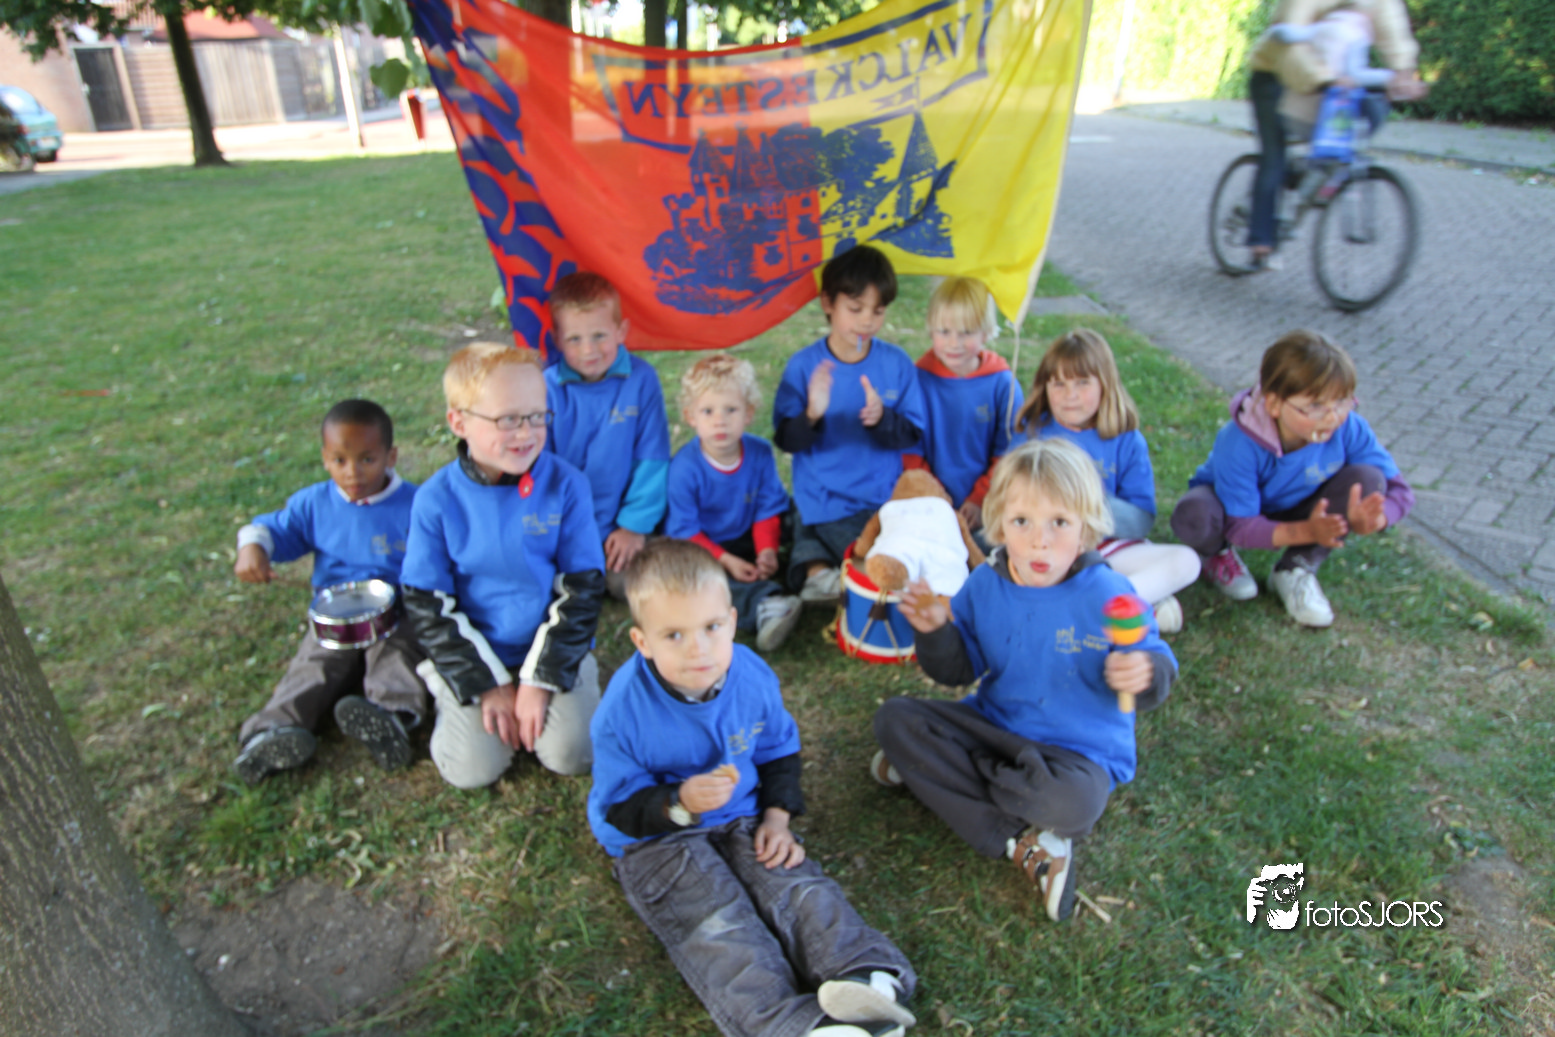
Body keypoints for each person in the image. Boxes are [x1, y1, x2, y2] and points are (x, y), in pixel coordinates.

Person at [588, 539, 919, 1037]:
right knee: (717, 922)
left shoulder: (750, 676)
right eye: (674, 634)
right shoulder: (621, 712)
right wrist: (679, 803)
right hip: (656, 837)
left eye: (711, 627)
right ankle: (794, 1026)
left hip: (742, 815)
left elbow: (778, 750)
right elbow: (618, 808)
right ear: (642, 642)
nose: (699, 648)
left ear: (731, 621)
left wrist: (777, 819)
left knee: (795, 884)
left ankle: (868, 978)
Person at [872, 439, 1177, 923]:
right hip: (995, 727)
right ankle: (1016, 831)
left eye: (1059, 522)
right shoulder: (985, 584)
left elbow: (1157, 666)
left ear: (1086, 529)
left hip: (1075, 756)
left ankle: (940, 776)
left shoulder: (1109, 592)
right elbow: (959, 670)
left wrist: (1143, 671)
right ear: (998, 526)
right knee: (894, 719)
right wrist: (935, 632)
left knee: (1073, 805)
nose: (1040, 541)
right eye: (1021, 522)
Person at [401, 342, 605, 788]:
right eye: (508, 419)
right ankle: (447, 689)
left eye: (537, 416)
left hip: (550, 644)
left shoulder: (568, 485)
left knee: (574, 753)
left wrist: (541, 678)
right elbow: (428, 604)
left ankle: (550, 691)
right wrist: (487, 684)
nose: (526, 433)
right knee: (472, 769)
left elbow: (583, 588)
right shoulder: (435, 500)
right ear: (459, 422)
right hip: (476, 650)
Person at [231, 399, 426, 783]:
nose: (353, 472)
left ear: (391, 457)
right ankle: (269, 733)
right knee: (314, 665)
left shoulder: (417, 505)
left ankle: (392, 718)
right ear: (324, 459)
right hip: (336, 617)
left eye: (367, 459)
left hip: (397, 613)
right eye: (339, 460)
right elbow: (271, 530)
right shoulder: (315, 504)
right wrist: (253, 547)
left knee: (396, 655)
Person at [1169, 329, 1415, 629]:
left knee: (1368, 479)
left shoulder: (1349, 427)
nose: (1332, 417)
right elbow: (1241, 526)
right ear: (1273, 404)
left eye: (1341, 401)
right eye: (1315, 406)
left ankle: (1296, 568)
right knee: (1194, 514)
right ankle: (1216, 554)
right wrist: (1308, 530)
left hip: (1304, 504)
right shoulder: (1239, 442)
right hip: (1235, 510)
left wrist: (1376, 519)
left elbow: (1401, 491)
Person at [1015, 328, 1199, 633]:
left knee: (1186, 561)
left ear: (1105, 384)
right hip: (1049, 547)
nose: (1070, 395)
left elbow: (1140, 520)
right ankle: (1138, 606)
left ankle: (1110, 605)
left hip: (1108, 547)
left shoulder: (1126, 440)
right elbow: (1012, 502)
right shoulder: (1032, 432)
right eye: (1059, 384)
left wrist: (1087, 504)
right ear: (1044, 386)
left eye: (1082, 383)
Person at [772, 245, 928, 602]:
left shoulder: (897, 364)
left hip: (882, 499)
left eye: (878, 310)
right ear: (828, 303)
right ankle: (822, 567)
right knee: (877, 563)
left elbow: (911, 433)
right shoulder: (803, 366)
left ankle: (816, 568)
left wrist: (882, 418)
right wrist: (812, 414)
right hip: (825, 499)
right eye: (855, 309)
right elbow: (786, 439)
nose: (867, 321)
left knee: (899, 554)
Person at [1245, 0, 1425, 269]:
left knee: (1372, 110)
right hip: (1278, 72)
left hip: (1334, 78)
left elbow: (1391, 23)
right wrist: (1324, 78)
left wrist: (1404, 73)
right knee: (1274, 159)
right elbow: (1291, 41)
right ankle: (1260, 240)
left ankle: (1318, 170)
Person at [544, 271, 671, 599]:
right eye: (574, 339)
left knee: (638, 585)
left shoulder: (641, 380)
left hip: (619, 527)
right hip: (563, 527)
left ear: (621, 331)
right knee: (544, 585)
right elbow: (541, 469)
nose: (589, 350)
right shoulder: (546, 388)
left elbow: (653, 458)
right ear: (557, 339)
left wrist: (633, 526)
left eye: (599, 335)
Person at [666, 354, 803, 653]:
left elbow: (768, 507)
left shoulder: (760, 452)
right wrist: (726, 560)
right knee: (687, 573)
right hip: (704, 545)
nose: (720, 421)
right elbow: (685, 531)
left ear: (748, 413)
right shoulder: (684, 468)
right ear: (690, 416)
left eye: (731, 409)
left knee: (801, 511)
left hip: (749, 532)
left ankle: (809, 573)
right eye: (708, 411)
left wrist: (766, 549)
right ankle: (765, 604)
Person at [902, 276, 1023, 546]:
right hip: (927, 505)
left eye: (966, 332)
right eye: (944, 331)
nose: (954, 343)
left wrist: (981, 499)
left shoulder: (1003, 384)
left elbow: (1011, 452)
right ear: (930, 330)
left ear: (986, 332)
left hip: (989, 507)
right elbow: (909, 451)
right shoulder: (916, 381)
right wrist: (935, 499)